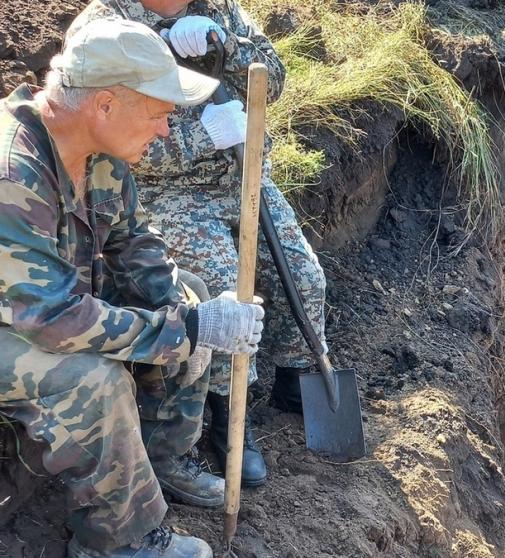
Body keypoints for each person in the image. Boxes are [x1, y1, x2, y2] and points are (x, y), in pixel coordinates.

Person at [0, 20, 265, 557]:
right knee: (90, 378)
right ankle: (118, 541)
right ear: (104, 105)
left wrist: (183, 309)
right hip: (24, 321)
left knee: (185, 290)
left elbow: (133, 243)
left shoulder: (98, 155)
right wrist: (185, 331)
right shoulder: (12, 174)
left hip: (43, 311)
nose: (168, 131)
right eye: (161, 113)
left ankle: (157, 463)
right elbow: (51, 318)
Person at [69, 0, 328, 488]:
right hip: (174, 191)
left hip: (243, 174)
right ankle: (232, 418)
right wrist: (202, 136)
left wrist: (228, 47)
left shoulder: (219, 8)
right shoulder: (107, 28)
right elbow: (114, 144)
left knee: (306, 277)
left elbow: (272, 77)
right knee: (230, 292)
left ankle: (296, 382)